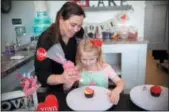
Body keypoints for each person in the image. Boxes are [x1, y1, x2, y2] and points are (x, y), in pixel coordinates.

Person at [34, 2, 85, 110]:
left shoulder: (79, 33)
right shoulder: (46, 40)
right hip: (55, 92)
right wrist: (62, 78)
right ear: (61, 18)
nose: (76, 29)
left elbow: (82, 52)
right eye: (73, 25)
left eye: (79, 26)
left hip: (76, 85)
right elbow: (42, 75)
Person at [65, 38, 125, 104]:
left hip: (103, 101)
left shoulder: (106, 68)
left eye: (92, 59)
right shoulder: (78, 68)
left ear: (98, 56)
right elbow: (65, 89)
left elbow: (120, 82)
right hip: (83, 102)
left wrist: (116, 91)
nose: (88, 63)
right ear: (79, 58)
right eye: (84, 59)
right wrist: (68, 83)